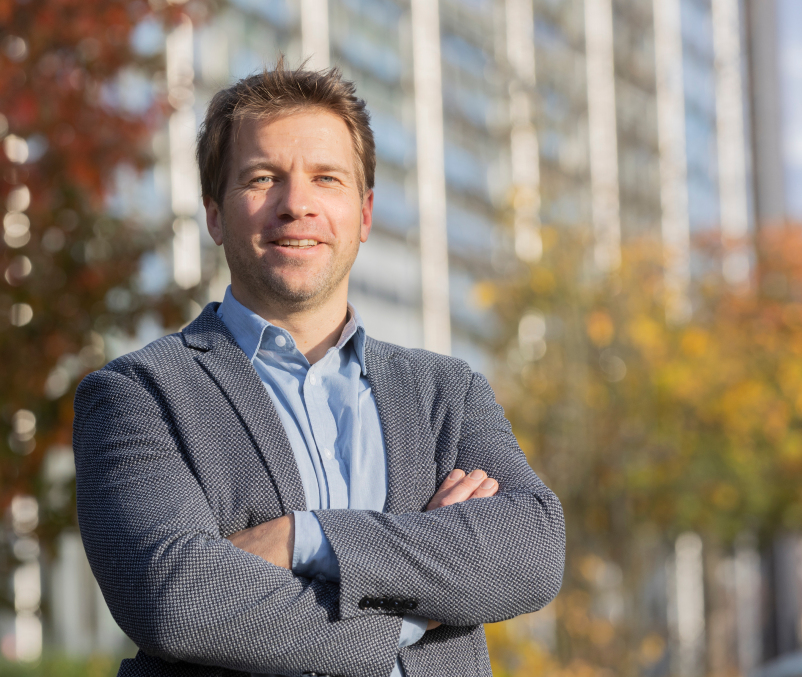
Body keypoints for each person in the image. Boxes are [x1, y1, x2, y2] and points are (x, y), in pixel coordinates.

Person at [73, 62, 565, 677]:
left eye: (326, 179)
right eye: (262, 178)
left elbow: (532, 548)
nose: (296, 204)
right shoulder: (137, 396)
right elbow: (179, 600)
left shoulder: (447, 394)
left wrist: (305, 539)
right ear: (215, 215)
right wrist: (422, 606)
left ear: (363, 215)